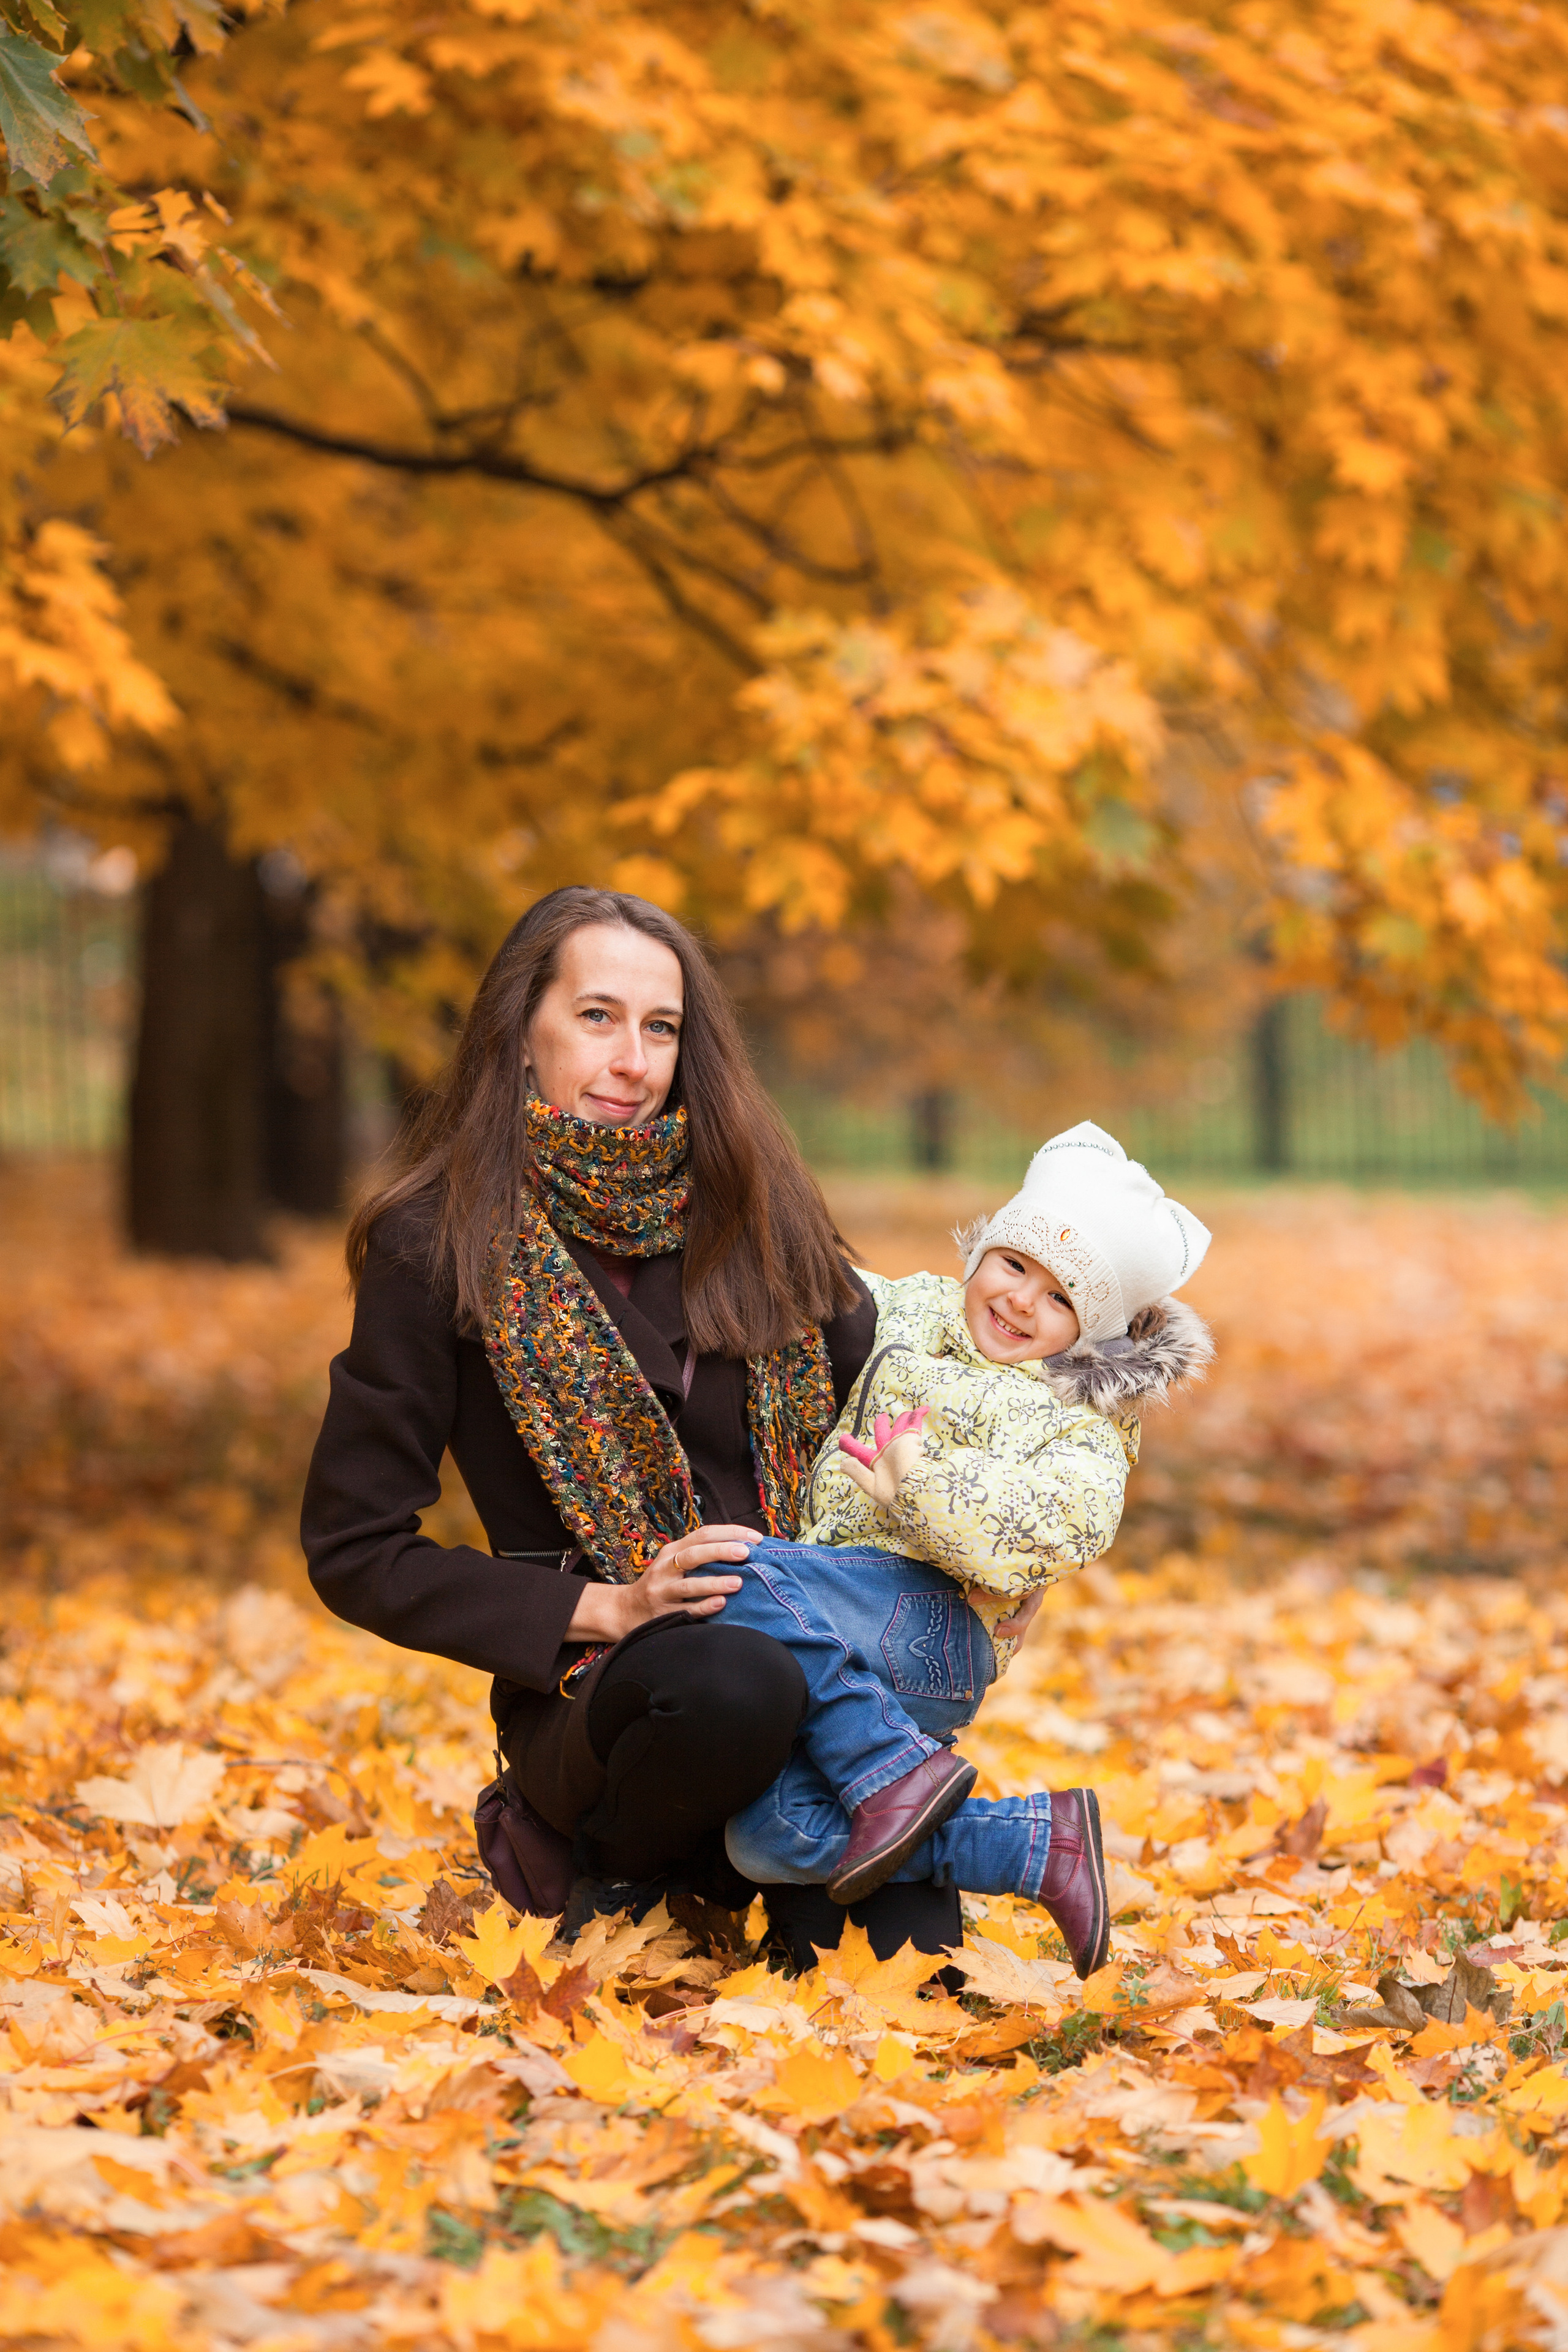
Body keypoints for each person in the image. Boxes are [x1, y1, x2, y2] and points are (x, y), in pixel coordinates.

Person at [300, 886, 952, 1969]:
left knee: (915, 1973)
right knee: (732, 1680)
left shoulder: (762, 1214)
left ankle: (772, 1861)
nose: (632, 1061)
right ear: (519, 1036)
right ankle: (611, 1865)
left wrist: (978, 1546)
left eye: (661, 1028)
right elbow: (355, 1548)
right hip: (608, 1703)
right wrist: (607, 1606)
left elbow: (885, 1416)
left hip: (827, 1685)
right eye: (596, 1017)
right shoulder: (439, 1241)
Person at [717, 1124, 1213, 1978]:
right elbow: (809, 1280)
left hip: (928, 1624)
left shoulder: (1080, 1418)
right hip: (841, 1618)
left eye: (1060, 1299)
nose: (1022, 1301)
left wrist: (916, 1483)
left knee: (727, 1574)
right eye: (1014, 1264)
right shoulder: (912, 1313)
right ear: (981, 1249)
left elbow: (1056, 1526)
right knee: (766, 1836)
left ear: (1090, 1332)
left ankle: (881, 1762)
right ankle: (1025, 1845)